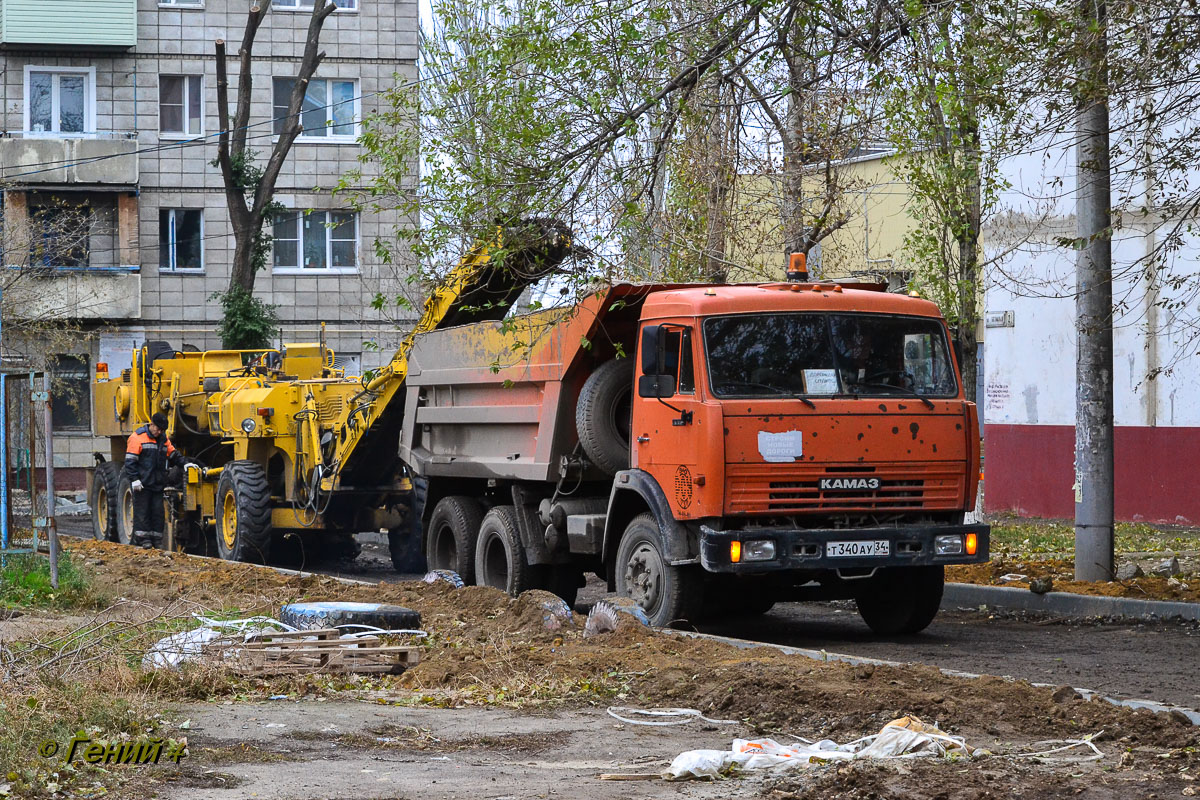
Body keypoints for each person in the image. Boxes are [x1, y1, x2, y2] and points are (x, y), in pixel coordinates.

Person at [124, 411, 184, 548]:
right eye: (158, 429)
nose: (159, 432)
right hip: (142, 484)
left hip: (157, 484)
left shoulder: (163, 439)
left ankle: (156, 541)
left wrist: (185, 463)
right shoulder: (137, 438)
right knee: (142, 512)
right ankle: (144, 541)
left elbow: (173, 454)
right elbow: (130, 462)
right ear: (152, 424)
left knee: (157, 513)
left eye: (162, 430)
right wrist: (134, 479)